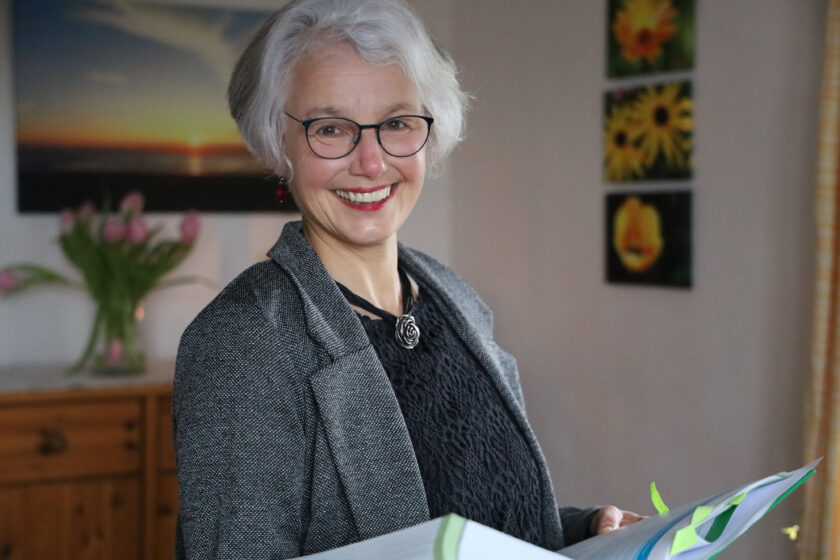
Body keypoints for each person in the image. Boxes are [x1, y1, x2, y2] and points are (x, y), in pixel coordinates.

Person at [173, 0, 642, 558]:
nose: (371, 162)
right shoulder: (242, 342)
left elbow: (475, 523)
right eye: (330, 128)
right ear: (280, 145)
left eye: (395, 123)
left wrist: (587, 531)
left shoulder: (457, 301)